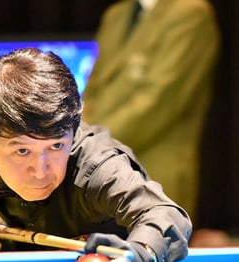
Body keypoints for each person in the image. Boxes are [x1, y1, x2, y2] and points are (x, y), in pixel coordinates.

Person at [0, 47, 192, 262]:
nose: (41, 172)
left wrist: (137, 254)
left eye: (56, 146)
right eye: (22, 151)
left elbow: (165, 214)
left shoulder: (97, 169)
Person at [82, 0, 220, 221]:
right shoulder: (116, 15)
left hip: (153, 176)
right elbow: (92, 88)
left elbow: (159, 102)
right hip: (98, 176)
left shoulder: (190, 13)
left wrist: (87, 143)